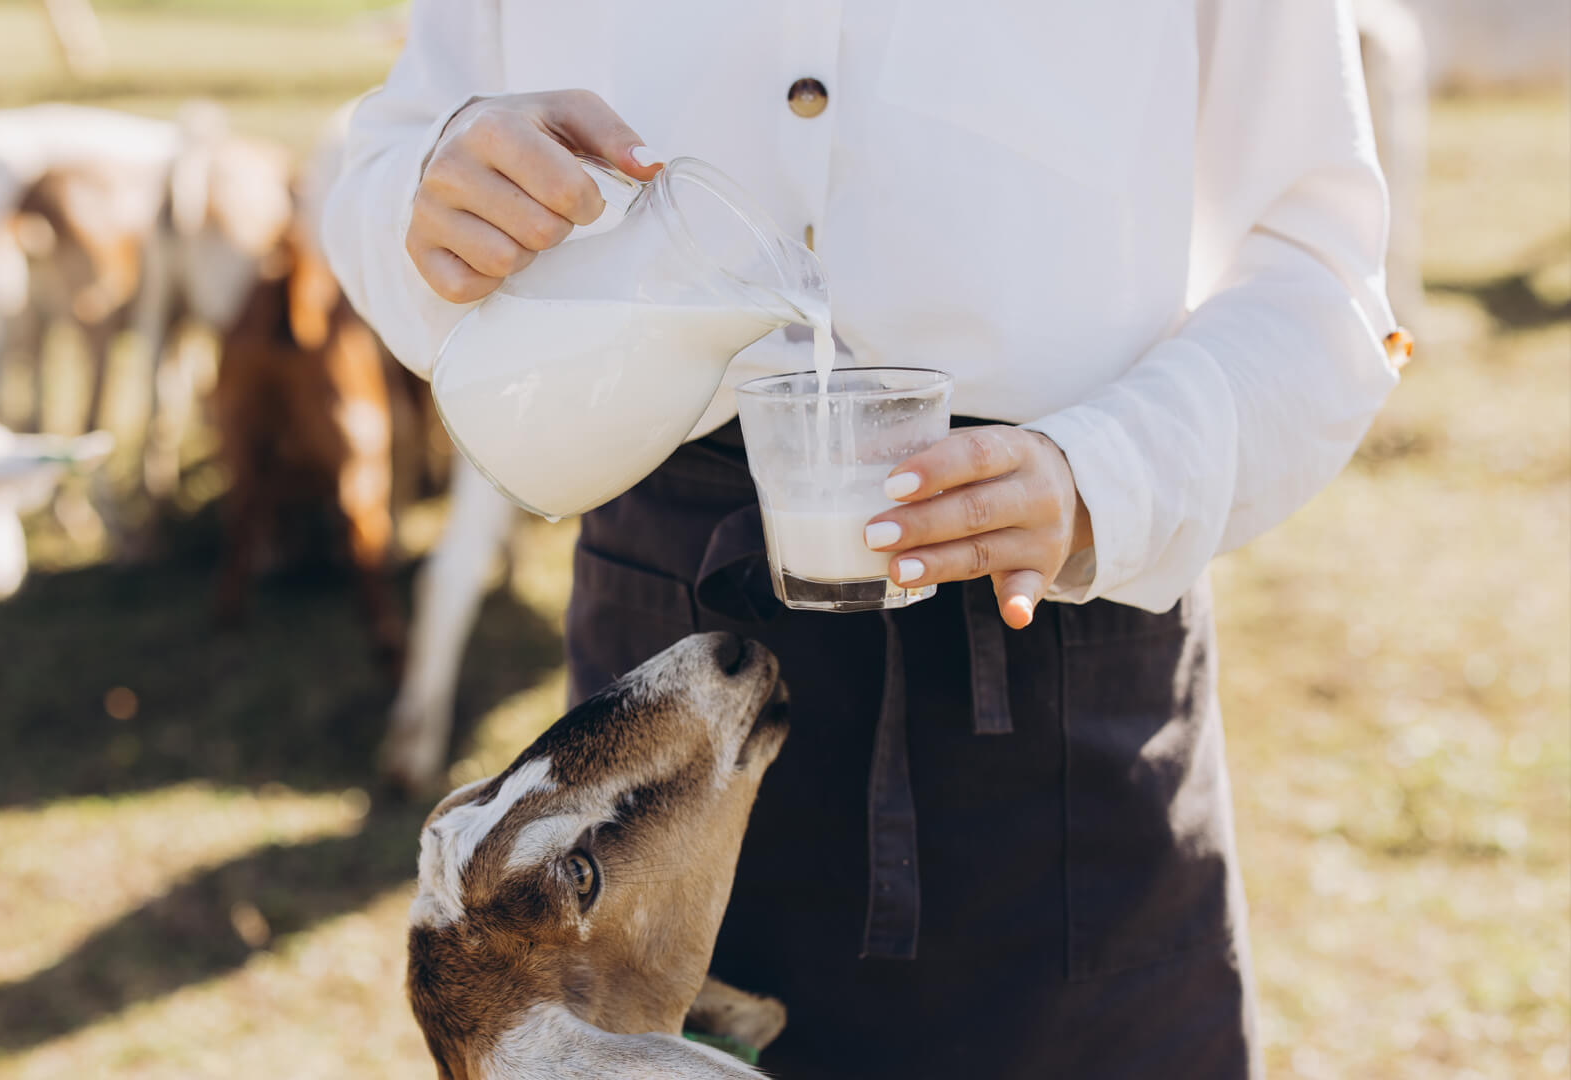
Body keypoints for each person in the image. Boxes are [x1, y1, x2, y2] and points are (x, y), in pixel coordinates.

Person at [322, 2, 1402, 1076]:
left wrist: (1111, 477)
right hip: (670, 670)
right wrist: (433, 195)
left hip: (1062, 651)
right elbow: (392, 153)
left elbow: (1322, 269)